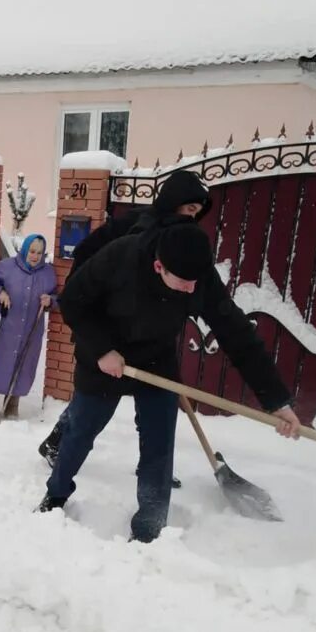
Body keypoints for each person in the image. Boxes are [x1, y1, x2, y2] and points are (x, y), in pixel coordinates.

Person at [37, 218, 301, 543]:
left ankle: (150, 524)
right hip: (104, 357)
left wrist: (276, 400)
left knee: (159, 445)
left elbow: (236, 333)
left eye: (195, 282)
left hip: (155, 360)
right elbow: (74, 301)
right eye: (183, 282)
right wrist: (102, 349)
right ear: (159, 266)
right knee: (80, 432)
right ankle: (56, 495)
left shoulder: (198, 276)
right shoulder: (120, 258)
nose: (192, 290)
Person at [37, 170, 212, 479]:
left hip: (142, 334)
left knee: (153, 402)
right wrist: (94, 328)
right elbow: (86, 260)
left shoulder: (179, 245)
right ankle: (56, 443)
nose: (191, 219)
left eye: (196, 214)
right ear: (172, 204)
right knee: (91, 396)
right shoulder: (135, 226)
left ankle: (154, 464)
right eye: (188, 210)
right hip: (103, 322)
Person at [0, 234, 59, 420]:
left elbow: (57, 297)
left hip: (30, 329)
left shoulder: (48, 273)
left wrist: (50, 300)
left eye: (39, 253)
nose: (35, 256)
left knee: (22, 366)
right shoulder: (6, 267)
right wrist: (0, 292)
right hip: (5, 327)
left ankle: (11, 408)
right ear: (25, 250)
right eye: (32, 251)